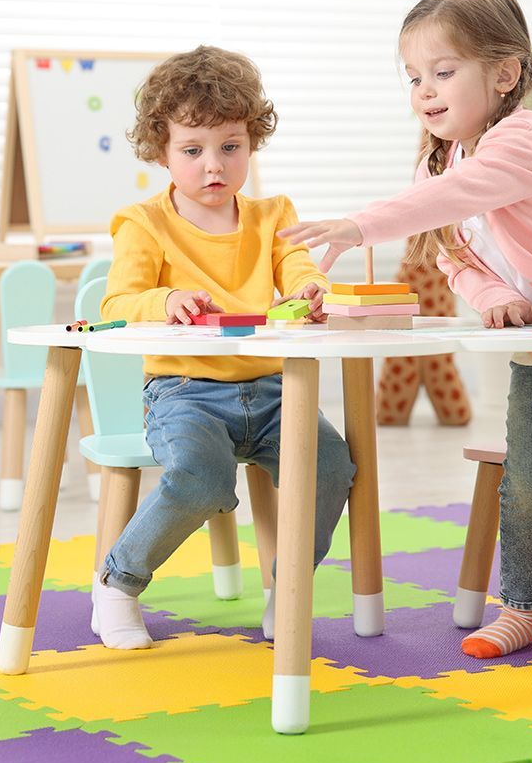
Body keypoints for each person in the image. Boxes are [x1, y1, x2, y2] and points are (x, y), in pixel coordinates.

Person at [279, 0, 532, 669]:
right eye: (414, 77)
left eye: (443, 72)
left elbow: (457, 198)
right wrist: (491, 294)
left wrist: (358, 223)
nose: (425, 91)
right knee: (526, 480)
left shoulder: (519, 141)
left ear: (505, 74)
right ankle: (520, 607)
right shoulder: (442, 160)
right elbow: (452, 253)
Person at [94, 45, 355, 650]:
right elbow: (116, 306)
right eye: (193, 150)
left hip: (272, 389)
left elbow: (299, 267)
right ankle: (117, 581)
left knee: (332, 465)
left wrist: (313, 290)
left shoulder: (272, 215)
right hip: (185, 391)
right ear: (161, 151)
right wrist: (165, 301)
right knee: (199, 478)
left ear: (250, 144)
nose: (214, 166)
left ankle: (286, 587)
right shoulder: (143, 224)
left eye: (230, 147)